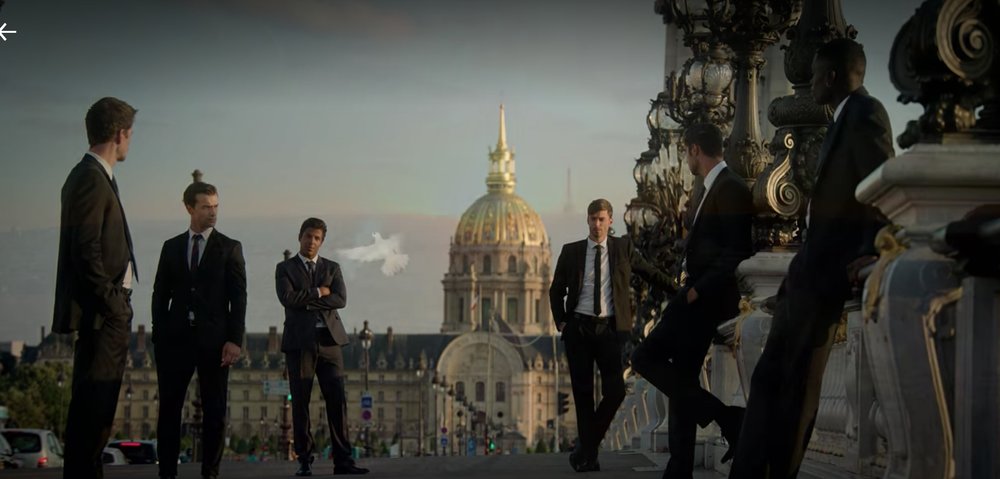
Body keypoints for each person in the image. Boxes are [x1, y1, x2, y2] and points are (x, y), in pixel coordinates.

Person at [729, 37, 894, 478]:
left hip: (826, 275)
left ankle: (777, 472)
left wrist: (873, 251)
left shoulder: (865, 113)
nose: (811, 81)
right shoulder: (845, 119)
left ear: (832, 76)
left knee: (797, 390)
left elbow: (880, 188)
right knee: (770, 381)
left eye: (817, 73)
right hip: (807, 274)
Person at [630, 123, 753, 478]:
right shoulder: (709, 189)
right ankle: (680, 465)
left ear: (695, 150)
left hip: (705, 299)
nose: (685, 159)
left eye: (685, 152)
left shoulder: (730, 188)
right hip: (694, 295)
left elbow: (736, 251)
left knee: (643, 357)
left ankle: (729, 418)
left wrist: (700, 288)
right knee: (682, 377)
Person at [549, 199, 675, 472]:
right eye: (593, 219)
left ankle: (585, 447)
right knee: (583, 396)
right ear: (587, 220)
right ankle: (588, 458)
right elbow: (556, 289)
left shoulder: (623, 248)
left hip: (609, 329)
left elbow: (650, 273)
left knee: (616, 390)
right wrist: (562, 323)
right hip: (579, 329)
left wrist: (679, 289)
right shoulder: (571, 252)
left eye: (601, 219)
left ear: (610, 221)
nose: (596, 225)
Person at [53, 97, 137, 479]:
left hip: (106, 313)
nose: (130, 141)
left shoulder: (91, 176)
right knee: (93, 415)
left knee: (96, 417)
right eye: (130, 133)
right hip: (104, 316)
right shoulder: (90, 178)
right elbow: (85, 252)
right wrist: (114, 305)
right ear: (119, 134)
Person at [151, 179, 247, 479]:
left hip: (215, 343)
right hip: (175, 342)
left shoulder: (230, 248)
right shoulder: (171, 247)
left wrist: (234, 340)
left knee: (214, 413)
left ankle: (210, 473)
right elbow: (159, 295)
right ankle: (166, 473)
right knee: (169, 411)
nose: (213, 213)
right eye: (206, 207)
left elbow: (238, 297)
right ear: (189, 208)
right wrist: (159, 337)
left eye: (216, 206)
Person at [276, 218, 369, 476]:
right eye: (308, 236)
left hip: (330, 342)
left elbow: (341, 299)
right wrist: (319, 292)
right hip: (300, 344)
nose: (312, 242)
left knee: (337, 402)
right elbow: (287, 298)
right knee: (301, 403)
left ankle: (343, 462)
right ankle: (305, 460)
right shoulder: (284, 268)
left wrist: (306, 301)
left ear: (322, 241)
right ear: (300, 237)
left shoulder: (332, 267)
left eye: (317, 238)